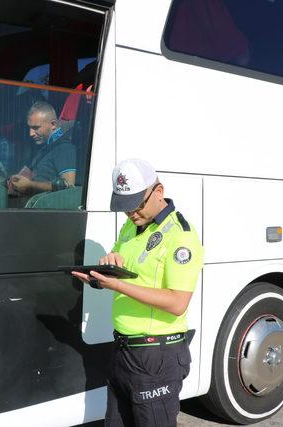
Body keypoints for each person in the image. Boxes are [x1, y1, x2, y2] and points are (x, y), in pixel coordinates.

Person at [72, 159, 204, 427]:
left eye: (136, 204)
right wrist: (104, 273)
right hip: (124, 350)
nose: (131, 212)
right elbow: (127, 267)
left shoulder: (181, 236)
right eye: (125, 206)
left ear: (158, 191)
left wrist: (117, 285)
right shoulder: (132, 226)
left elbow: (178, 302)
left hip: (156, 356)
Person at [9, 101, 76, 195]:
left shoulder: (64, 149)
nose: (31, 133)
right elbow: (23, 175)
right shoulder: (42, 150)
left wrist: (30, 185)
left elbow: (69, 185)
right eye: (30, 127)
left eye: (36, 127)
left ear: (53, 125)